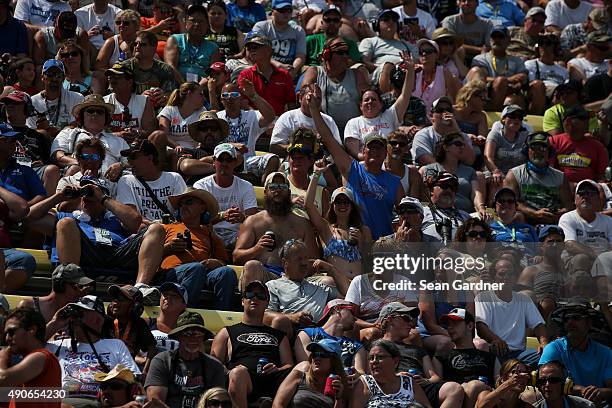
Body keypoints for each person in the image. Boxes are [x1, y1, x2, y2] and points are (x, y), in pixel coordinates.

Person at [141, 187, 238, 310]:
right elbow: (149, 255)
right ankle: (184, 313)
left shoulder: (210, 234)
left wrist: (216, 263)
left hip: (202, 273)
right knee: (196, 268)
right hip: (170, 273)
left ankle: (224, 315)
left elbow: (223, 261)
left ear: (202, 208)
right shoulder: (166, 228)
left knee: (227, 272)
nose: (183, 206)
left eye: (189, 202)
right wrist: (170, 247)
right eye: (181, 204)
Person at [211, 280, 293, 408]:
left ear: (267, 303)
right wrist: (230, 373)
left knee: (303, 367)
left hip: (273, 380)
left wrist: (277, 369)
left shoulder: (279, 335)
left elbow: (289, 365)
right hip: (243, 380)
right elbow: (214, 364)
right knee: (238, 373)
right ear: (243, 300)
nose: (255, 298)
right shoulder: (226, 332)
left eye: (260, 296)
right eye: (250, 295)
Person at [45, 295, 140, 405]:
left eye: (81, 312)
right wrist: (55, 323)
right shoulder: (58, 346)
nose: (74, 318)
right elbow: (29, 346)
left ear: (98, 320)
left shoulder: (115, 345)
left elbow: (133, 378)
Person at [232, 172, 319, 289]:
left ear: (289, 192)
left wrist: (296, 268)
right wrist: (257, 249)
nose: (277, 191)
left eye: (282, 187)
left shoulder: (302, 224)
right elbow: (236, 257)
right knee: (252, 266)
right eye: (273, 187)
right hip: (266, 276)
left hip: (297, 280)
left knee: (328, 281)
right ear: (265, 192)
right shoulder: (252, 221)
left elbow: (313, 261)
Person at [378, 302, 468, 408]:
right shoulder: (376, 347)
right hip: (391, 387)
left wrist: (424, 380)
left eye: (411, 319)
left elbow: (435, 377)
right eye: (406, 318)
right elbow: (368, 376)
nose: (411, 323)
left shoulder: (417, 350)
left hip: (420, 387)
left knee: (454, 389)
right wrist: (395, 377)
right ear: (390, 319)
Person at [475, 256, 548, 367]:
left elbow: (538, 325)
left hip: (520, 354)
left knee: (549, 353)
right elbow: (481, 326)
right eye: (501, 274)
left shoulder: (524, 299)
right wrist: (495, 340)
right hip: (495, 351)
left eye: (511, 274)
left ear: (515, 278)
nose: (507, 278)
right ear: (494, 277)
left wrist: (544, 343)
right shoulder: (483, 297)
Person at [145, 311, 226, 408]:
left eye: (198, 334)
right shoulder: (162, 361)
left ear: (203, 337)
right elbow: (155, 402)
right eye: (187, 333)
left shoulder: (215, 366)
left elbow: (217, 403)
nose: (193, 338)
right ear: (178, 336)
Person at [539, 301, 612, 405]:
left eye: (576, 318)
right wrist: (580, 390)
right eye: (567, 319)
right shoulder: (554, 348)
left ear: (589, 323)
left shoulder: (606, 353)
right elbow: (545, 382)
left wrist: (600, 392)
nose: (570, 322)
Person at [305, 169, 371, 283]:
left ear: (352, 205)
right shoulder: (327, 229)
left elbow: (371, 262)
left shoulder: (364, 230)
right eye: (338, 202)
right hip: (336, 283)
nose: (342, 205)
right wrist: (316, 175)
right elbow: (308, 205)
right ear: (332, 205)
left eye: (346, 202)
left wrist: (361, 244)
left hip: (358, 284)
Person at [265, 239, 342, 333]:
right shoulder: (273, 286)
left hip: (320, 332)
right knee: (280, 321)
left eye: (306, 258)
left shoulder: (319, 287)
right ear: (285, 263)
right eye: (299, 259)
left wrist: (331, 268)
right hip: (291, 333)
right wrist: (291, 317)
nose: (304, 263)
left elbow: (349, 295)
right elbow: (264, 315)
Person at [50, 93, 128, 181]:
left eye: (100, 112)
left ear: (106, 117)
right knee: (74, 169)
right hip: (78, 177)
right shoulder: (68, 133)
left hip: (111, 180)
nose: (95, 114)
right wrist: (82, 164)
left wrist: (121, 165)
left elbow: (131, 161)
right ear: (81, 116)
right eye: (90, 111)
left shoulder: (119, 141)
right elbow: (58, 156)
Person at [193, 143, 259, 248]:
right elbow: (196, 219)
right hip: (209, 234)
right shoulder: (201, 186)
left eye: (229, 160)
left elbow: (253, 220)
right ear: (214, 162)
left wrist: (242, 218)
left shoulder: (246, 186)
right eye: (221, 159)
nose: (224, 163)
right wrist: (222, 216)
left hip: (237, 236)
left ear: (235, 163)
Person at [433, 308, 498, 408]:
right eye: (448, 324)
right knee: (474, 385)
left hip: (484, 400)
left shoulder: (490, 357)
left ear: (470, 326)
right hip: (457, 399)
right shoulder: (441, 357)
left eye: (455, 323)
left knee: (476, 386)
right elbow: (437, 388)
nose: (450, 327)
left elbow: (500, 382)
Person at [215, 80, 278, 185]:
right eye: (225, 95)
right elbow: (211, 143)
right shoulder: (217, 118)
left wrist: (254, 95)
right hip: (223, 161)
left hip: (248, 161)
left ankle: (264, 189)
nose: (230, 98)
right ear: (221, 100)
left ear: (241, 98)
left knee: (273, 159)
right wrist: (231, 145)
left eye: (234, 94)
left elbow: (270, 116)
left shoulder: (251, 116)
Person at [301, 37, 368, 134]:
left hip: (353, 132)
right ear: (327, 55)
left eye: (346, 53)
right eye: (340, 53)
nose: (345, 57)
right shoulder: (315, 72)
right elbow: (305, 98)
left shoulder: (356, 74)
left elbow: (368, 97)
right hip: (322, 131)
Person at [504, 132, 573, 225]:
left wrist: (559, 213)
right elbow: (508, 203)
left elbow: (568, 207)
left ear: (549, 152)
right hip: (524, 224)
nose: (539, 152)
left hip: (551, 225)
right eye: (534, 148)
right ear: (527, 150)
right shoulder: (514, 174)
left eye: (543, 148)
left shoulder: (560, 177)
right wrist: (534, 214)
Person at [0, 307, 61, 408]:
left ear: (32, 330)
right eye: (6, 334)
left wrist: (2, 358)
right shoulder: (28, 365)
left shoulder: (41, 356)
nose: (7, 338)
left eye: (12, 332)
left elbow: (3, 378)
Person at [116, 139, 187, 222]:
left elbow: (184, 212)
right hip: (143, 232)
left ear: (150, 158)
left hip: (172, 231)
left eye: (133, 157)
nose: (129, 161)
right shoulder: (126, 181)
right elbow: (131, 217)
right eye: (128, 158)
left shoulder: (174, 178)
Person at [351, 339, 433, 408]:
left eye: (380, 357)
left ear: (395, 361)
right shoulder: (364, 383)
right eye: (371, 358)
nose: (374, 361)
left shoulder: (408, 382)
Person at [420, 132, 486, 215]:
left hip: (465, 214)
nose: (462, 147)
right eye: (458, 144)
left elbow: (476, 194)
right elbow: (424, 197)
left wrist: (481, 208)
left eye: (463, 145)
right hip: (436, 213)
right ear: (446, 147)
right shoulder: (428, 169)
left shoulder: (469, 171)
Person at [269, 83, 341, 158]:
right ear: (300, 98)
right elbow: (274, 148)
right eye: (311, 97)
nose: (314, 101)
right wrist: (297, 147)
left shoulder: (328, 120)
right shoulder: (287, 118)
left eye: (318, 98)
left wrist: (324, 144)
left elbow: (339, 148)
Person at [295, 299, 367, 373]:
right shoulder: (307, 334)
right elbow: (307, 367)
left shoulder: (357, 346)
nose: (355, 318)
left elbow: (360, 373)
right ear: (337, 309)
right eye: (352, 312)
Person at [273, 338, 348, 408]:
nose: (317, 358)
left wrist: (338, 398)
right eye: (314, 355)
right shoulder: (298, 376)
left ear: (334, 361)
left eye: (323, 355)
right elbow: (277, 404)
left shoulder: (339, 386)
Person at [468, 25, 529, 112]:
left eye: (500, 37)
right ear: (490, 40)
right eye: (494, 37)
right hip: (488, 93)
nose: (497, 40)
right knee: (501, 81)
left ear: (508, 40)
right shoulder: (480, 59)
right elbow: (482, 78)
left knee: (516, 98)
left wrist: (519, 81)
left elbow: (523, 77)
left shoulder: (517, 60)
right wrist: (508, 80)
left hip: (510, 92)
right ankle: (494, 112)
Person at [149, 81, 206, 169]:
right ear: (189, 94)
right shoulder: (169, 110)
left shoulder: (202, 111)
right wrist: (176, 146)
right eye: (200, 94)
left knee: (178, 157)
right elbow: (164, 134)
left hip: (192, 150)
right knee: (173, 153)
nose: (204, 98)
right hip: (170, 149)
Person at [238, 34, 295, 117]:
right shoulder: (245, 75)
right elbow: (243, 103)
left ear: (268, 50)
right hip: (255, 122)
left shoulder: (284, 75)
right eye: (249, 48)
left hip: (279, 122)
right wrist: (261, 120)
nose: (251, 50)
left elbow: (291, 103)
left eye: (255, 47)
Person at [517, 226, 566, 320]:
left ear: (563, 245)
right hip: (540, 318)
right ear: (541, 245)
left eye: (558, 241)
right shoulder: (531, 270)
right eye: (550, 241)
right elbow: (521, 299)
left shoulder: (570, 269)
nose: (555, 245)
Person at [550, 106, 608, 185]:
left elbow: (601, 176)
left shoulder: (597, 146)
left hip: (587, 192)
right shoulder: (553, 142)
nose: (588, 121)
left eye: (588, 118)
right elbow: (549, 172)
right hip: (560, 189)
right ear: (568, 122)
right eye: (583, 118)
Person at [0, 114, 50, 206]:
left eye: (15, 140)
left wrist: (23, 209)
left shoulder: (25, 170)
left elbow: (41, 196)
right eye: (10, 140)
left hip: (22, 216)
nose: (14, 144)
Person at [411, 96, 476, 166]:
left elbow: (470, 161)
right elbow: (427, 161)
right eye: (440, 110)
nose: (445, 113)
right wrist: (448, 173)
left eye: (448, 110)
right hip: (434, 173)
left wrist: (457, 131)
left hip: (458, 173)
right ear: (431, 116)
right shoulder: (423, 135)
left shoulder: (462, 136)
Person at [17, 263, 93, 322]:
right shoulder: (29, 305)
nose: (81, 292)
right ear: (60, 285)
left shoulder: (77, 312)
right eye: (77, 287)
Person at [164, 5, 222, 83]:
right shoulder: (175, 40)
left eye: (201, 21)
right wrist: (184, 86)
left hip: (201, 89)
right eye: (193, 21)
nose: (197, 24)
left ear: (207, 25)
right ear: (186, 22)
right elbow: (170, 66)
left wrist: (197, 89)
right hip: (177, 86)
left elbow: (213, 75)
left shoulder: (213, 48)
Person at [122, 30, 181, 106]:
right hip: (130, 109)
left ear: (153, 48)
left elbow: (172, 94)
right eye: (135, 44)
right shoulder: (124, 67)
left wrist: (164, 97)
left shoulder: (165, 69)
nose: (137, 47)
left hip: (157, 111)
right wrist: (139, 98)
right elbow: (115, 94)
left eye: (142, 44)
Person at [28, 59, 85, 138]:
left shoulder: (77, 98)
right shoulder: (32, 101)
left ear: (63, 78)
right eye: (49, 74)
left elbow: (76, 127)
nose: (54, 79)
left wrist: (56, 132)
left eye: (58, 75)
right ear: (42, 77)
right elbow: (30, 130)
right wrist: (42, 130)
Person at [55, 138, 118, 208]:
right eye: (85, 157)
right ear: (78, 159)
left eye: (94, 157)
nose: (89, 160)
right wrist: (84, 187)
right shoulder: (67, 181)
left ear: (101, 159)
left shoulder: (111, 185)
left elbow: (112, 210)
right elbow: (61, 208)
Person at [252, 0, 306, 78]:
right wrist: (278, 65)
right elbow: (257, 53)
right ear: (272, 11)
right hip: (264, 69)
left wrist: (292, 71)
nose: (286, 13)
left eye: (289, 10)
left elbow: (300, 56)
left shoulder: (298, 30)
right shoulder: (261, 27)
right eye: (282, 10)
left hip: (290, 70)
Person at [104, 62, 156, 139]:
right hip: (112, 145)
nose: (112, 80)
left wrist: (136, 133)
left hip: (137, 144)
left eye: (117, 77)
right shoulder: (104, 102)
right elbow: (98, 132)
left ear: (130, 82)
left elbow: (149, 131)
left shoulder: (144, 101)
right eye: (110, 77)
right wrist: (118, 134)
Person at [484, 105, 529, 195]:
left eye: (519, 118)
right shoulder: (495, 135)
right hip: (496, 173)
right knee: (498, 181)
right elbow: (488, 157)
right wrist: (496, 171)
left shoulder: (525, 137)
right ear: (503, 119)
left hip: (516, 176)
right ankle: (491, 207)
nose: (516, 120)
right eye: (512, 116)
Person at [107, 284, 157, 364]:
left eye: (120, 299)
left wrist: (145, 372)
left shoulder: (139, 324)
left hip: (128, 372)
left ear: (135, 306)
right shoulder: (106, 322)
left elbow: (152, 348)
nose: (115, 303)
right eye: (114, 299)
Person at [359, 10, 417, 76]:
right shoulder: (369, 41)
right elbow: (365, 62)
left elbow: (418, 60)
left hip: (405, 75)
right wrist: (386, 69)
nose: (391, 22)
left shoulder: (405, 44)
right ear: (376, 24)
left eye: (394, 20)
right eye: (386, 19)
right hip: (382, 75)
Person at [413, 39, 461, 116]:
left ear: (436, 55)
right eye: (421, 52)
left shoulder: (445, 72)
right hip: (415, 119)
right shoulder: (414, 72)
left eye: (428, 51)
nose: (424, 54)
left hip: (438, 119)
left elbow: (453, 100)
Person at [421, 170, 472, 242]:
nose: (449, 190)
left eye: (453, 188)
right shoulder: (421, 212)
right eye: (444, 186)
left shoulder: (465, 216)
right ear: (431, 190)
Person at [524, 33, 569, 106]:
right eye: (541, 44)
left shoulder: (563, 70)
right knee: (538, 85)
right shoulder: (530, 64)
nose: (544, 47)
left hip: (558, 94)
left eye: (548, 45)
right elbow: (530, 85)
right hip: (539, 92)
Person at [382, 131, 426, 199]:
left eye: (402, 144)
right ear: (386, 146)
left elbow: (413, 203)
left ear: (406, 149)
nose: (397, 146)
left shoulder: (413, 175)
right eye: (393, 143)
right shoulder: (377, 168)